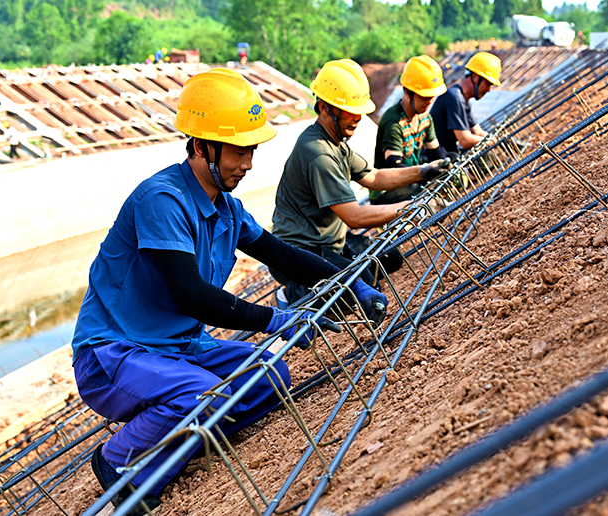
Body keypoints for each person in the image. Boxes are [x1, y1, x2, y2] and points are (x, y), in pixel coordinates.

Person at [72, 68, 387, 515]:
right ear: (202, 147)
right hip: (115, 353)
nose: (248, 163)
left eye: (252, 150)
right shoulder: (161, 200)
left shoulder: (226, 207)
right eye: (239, 151)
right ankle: (117, 462)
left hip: (178, 347)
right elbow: (191, 296)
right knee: (201, 394)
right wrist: (274, 319)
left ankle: (189, 429)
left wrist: (350, 282)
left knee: (271, 376)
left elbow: (281, 254)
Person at [270, 59, 449, 306]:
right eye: (350, 111)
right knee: (359, 288)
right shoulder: (318, 153)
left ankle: (325, 288)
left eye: (360, 111)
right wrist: (411, 208)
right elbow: (354, 217)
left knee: (389, 258)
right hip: (299, 253)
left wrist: (423, 171)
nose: (358, 118)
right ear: (324, 108)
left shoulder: (336, 143)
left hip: (328, 242)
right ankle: (292, 296)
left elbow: (374, 177)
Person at [371, 55, 448, 205]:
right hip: (388, 190)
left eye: (432, 96)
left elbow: (436, 152)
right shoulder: (393, 121)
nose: (430, 101)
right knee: (427, 197)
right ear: (407, 93)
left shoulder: (424, 117)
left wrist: (447, 167)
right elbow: (394, 164)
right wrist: (424, 174)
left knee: (450, 158)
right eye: (424, 96)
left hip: (412, 176)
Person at [430, 51, 501, 154]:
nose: (488, 89)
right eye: (488, 83)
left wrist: (498, 139)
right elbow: (465, 140)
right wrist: (492, 142)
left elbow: (477, 131)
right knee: (486, 157)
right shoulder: (454, 98)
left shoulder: (464, 101)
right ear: (475, 77)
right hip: (437, 158)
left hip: (449, 153)